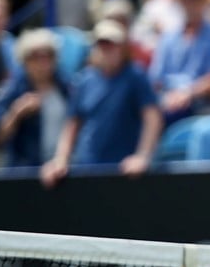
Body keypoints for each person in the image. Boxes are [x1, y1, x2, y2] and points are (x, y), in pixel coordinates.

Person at [40, 20, 162, 188]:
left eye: (111, 45)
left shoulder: (136, 77)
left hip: (125, 174)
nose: (106, 50)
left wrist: (142, 156)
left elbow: (152, 118)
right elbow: (73, 124)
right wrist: (60, 159)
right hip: (87, 170)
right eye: (101, 44)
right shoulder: (85, 80)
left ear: (123, 47)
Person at [149, 0, 210, 124]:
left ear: (205, 1)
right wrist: (169, 96)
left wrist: (188, 93)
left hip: (201, 104)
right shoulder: (168, 37)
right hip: (168, 100)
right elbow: (156, 77)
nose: (191, 3)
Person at [0, 28, 67, 168]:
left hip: (60, 169)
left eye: (48, 55)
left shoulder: (66, 88)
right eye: (36, 56)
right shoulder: (11, 90)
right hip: (26, 171)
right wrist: (17, 112)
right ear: (25, 60)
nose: (43, 63)